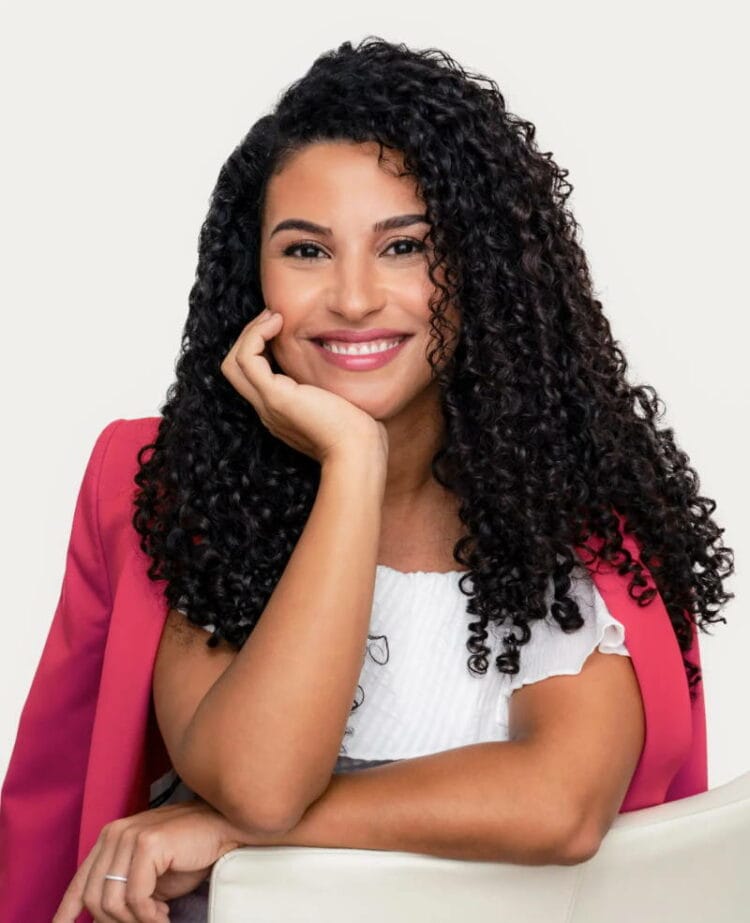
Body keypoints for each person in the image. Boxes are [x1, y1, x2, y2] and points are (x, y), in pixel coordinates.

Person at [0, 36, 733, 923]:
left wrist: (222, 831)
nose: (352, 298)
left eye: (405, 247)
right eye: (306, 251)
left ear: (482, 269)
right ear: (253, 275)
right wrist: (352, 464)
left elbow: (560, 804)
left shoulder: (569, 509)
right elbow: (262, 782)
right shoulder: (171, 483)